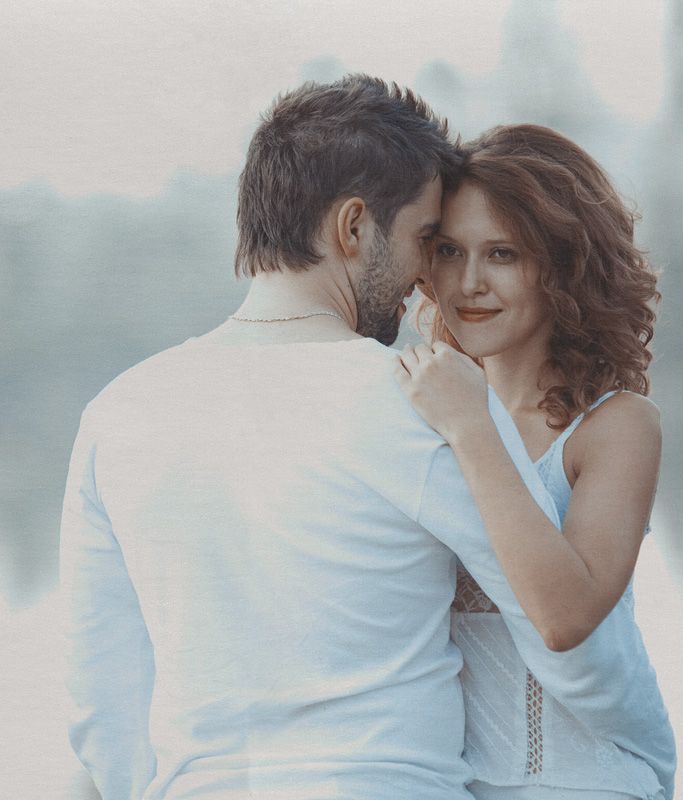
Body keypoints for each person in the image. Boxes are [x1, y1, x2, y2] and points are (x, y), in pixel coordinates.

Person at [59, 75, 571, 800]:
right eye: (425, 240)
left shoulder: (118, 414)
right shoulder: (425, 399)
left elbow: (102, 697)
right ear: (354, 227)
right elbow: (557, 623)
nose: (427, 278)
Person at [396, 124, 676, 799]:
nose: (469, 283)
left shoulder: (615, 428)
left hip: (590, 782)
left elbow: (565, 618)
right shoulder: (413, 413)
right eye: (449, 251)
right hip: (443, 784)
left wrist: (472, 425)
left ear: (563, 264)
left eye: (502, 254)